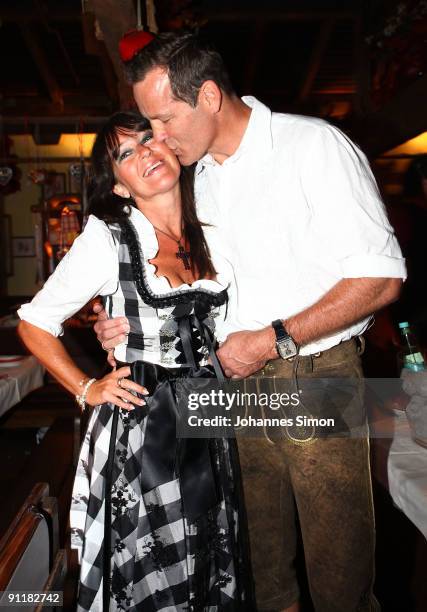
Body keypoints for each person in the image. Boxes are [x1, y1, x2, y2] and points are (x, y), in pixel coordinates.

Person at [94, 31, 407, 612]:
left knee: (339, 576)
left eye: (163, 121)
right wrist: (120, 320)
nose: (156, 140)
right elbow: (176, 278)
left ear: (209, 96)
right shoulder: (196, 176)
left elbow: (381, 278)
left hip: (313, 377)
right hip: (227, 388)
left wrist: (273, 338)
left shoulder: (311, 145)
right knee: (254, 569)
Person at [17, 111, 255, 611]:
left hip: (210, 421)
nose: (146, 153)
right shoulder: (110, 237)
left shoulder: (214, 227)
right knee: (154, 565)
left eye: (149, 140)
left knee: (210, 551)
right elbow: (35, 324)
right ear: (120, 185)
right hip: (146, 429)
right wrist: (87, 387)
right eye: (127, 153)